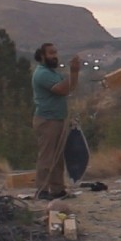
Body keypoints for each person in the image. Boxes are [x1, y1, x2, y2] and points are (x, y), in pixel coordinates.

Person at [32, 43, 81, 200]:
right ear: (42, 56)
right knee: (47, 156)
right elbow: (62, 90)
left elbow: (70, 87)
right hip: (47, 120)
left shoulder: (52, 73)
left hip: (58, 118)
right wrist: (73, 72)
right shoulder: (42, 74)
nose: (55, 56)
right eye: (51, 53)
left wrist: (74, 73)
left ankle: (57, 188)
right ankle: (42, 189)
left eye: (55, 52)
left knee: (58, 157)